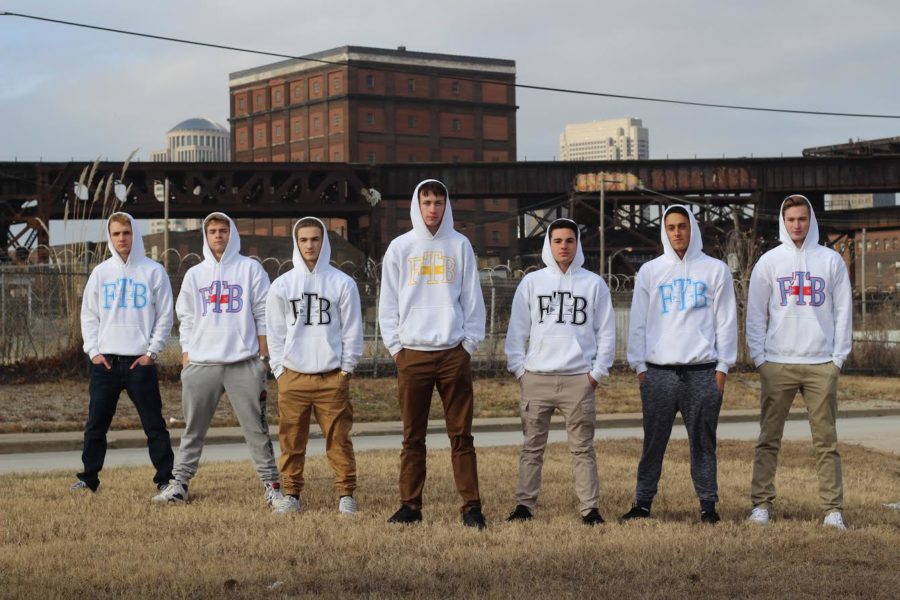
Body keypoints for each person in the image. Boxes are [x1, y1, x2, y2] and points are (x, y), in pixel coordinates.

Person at [152, 213, 282, 507]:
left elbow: (264, 313)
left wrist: (263, 358)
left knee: (257, 430)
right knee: (192, 430)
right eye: (212, 231)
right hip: (202, 363)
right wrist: (187, 357)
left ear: (232, 233)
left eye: (223, 230)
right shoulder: (195, 274)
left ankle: (272, 486)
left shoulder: (250, 269)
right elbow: (184, 317)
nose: (218, 236)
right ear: (206, 235)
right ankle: (180, 485)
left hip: (243, 362)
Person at [378, 179, 487, 529]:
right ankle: (410, 506)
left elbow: (473, 300)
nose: (433, 208)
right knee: (412, 436)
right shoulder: (400, 248)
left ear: (446, 205)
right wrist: (397, 348)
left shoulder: (460, 246)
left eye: (439, 202)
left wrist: (468, 345)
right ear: (417, 204)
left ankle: (471, 507)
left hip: (453, 353)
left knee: (461, 435)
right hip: (413, 355)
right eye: (426, 202)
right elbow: (388, 304)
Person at [621, 205, 737, 523]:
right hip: (658, 372)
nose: (677, 233)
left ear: (692, 228)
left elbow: (725, 321)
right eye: (671, 227)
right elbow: (638, 323)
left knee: (703, 443)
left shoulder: (715, 270)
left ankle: (708, 505)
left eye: (682, 226)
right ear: (664, 231)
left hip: (702, 371)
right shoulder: (651, 272)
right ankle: (642, 503)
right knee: (653, 442)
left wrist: (723, 367)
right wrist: (640, 367)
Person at [746, 194, 852, 530]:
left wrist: (838, 358)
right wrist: (760, 357)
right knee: (768, 438)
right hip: (778, 362)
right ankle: (761, 504)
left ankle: (832, 510)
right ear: (783, 221)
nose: (796, 225)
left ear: (811, 220)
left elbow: (843, 310)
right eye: (791, 219)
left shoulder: (830, 261)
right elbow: (755, 313)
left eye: (802, 219)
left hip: (821, 362)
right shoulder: (769, 262)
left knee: (825, 440)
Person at [504, 218, 616, 525]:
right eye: (557, 241)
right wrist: (519, 370)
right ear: (548, 244)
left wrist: (596, 374)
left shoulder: (593, 284)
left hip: (578, 379)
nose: (563, 246)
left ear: (577, 244)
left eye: (569, 240)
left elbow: (606, 332)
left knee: (582, 449)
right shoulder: (532, 283)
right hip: (536, 378)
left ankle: (590, 509)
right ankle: (524, 506)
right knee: (531, 448)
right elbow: (516, 331)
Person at [265, 217, 363, 516]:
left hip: (331, 376)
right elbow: (275, 332)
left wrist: (346, 369)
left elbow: (352, 330)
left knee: (338, 439)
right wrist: (279, 371)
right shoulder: (283, 285)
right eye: (304, 240)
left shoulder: (342, 282)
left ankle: (346, 494)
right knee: (291, 440)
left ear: (324, 242)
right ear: (296, 242)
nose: (310, 245)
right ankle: (292, 494)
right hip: (293, 377)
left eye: (315, 239)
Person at [74, 212, 174, 492]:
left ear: (135, 234)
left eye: (126, 233)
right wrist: (93, 351)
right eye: (116, 234)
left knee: (154, 425)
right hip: (105, 363)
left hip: (139, 364)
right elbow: (89, 315)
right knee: (96, 426)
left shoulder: (153, 271)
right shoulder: (101, 273)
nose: (122, 239)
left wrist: (152, 352)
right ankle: (88, 479)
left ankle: (165, 479)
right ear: (110, 237)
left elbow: (165, 316)